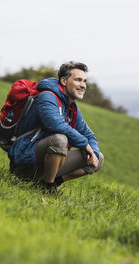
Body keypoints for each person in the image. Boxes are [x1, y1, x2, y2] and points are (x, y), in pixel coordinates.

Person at [8, 61, 104, 192]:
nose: (83, 85)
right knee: (59, 139)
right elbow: (54, 124)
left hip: (44, 164)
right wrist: (84, 144)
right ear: (64, 81)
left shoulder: (71, 106)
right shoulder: (47, 97)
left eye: (84, 81)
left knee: (98, 158)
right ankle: (46, 186)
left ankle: (51, 182)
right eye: (78, 80)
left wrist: (93, 151)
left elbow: (88, 135)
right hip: (25, 162)